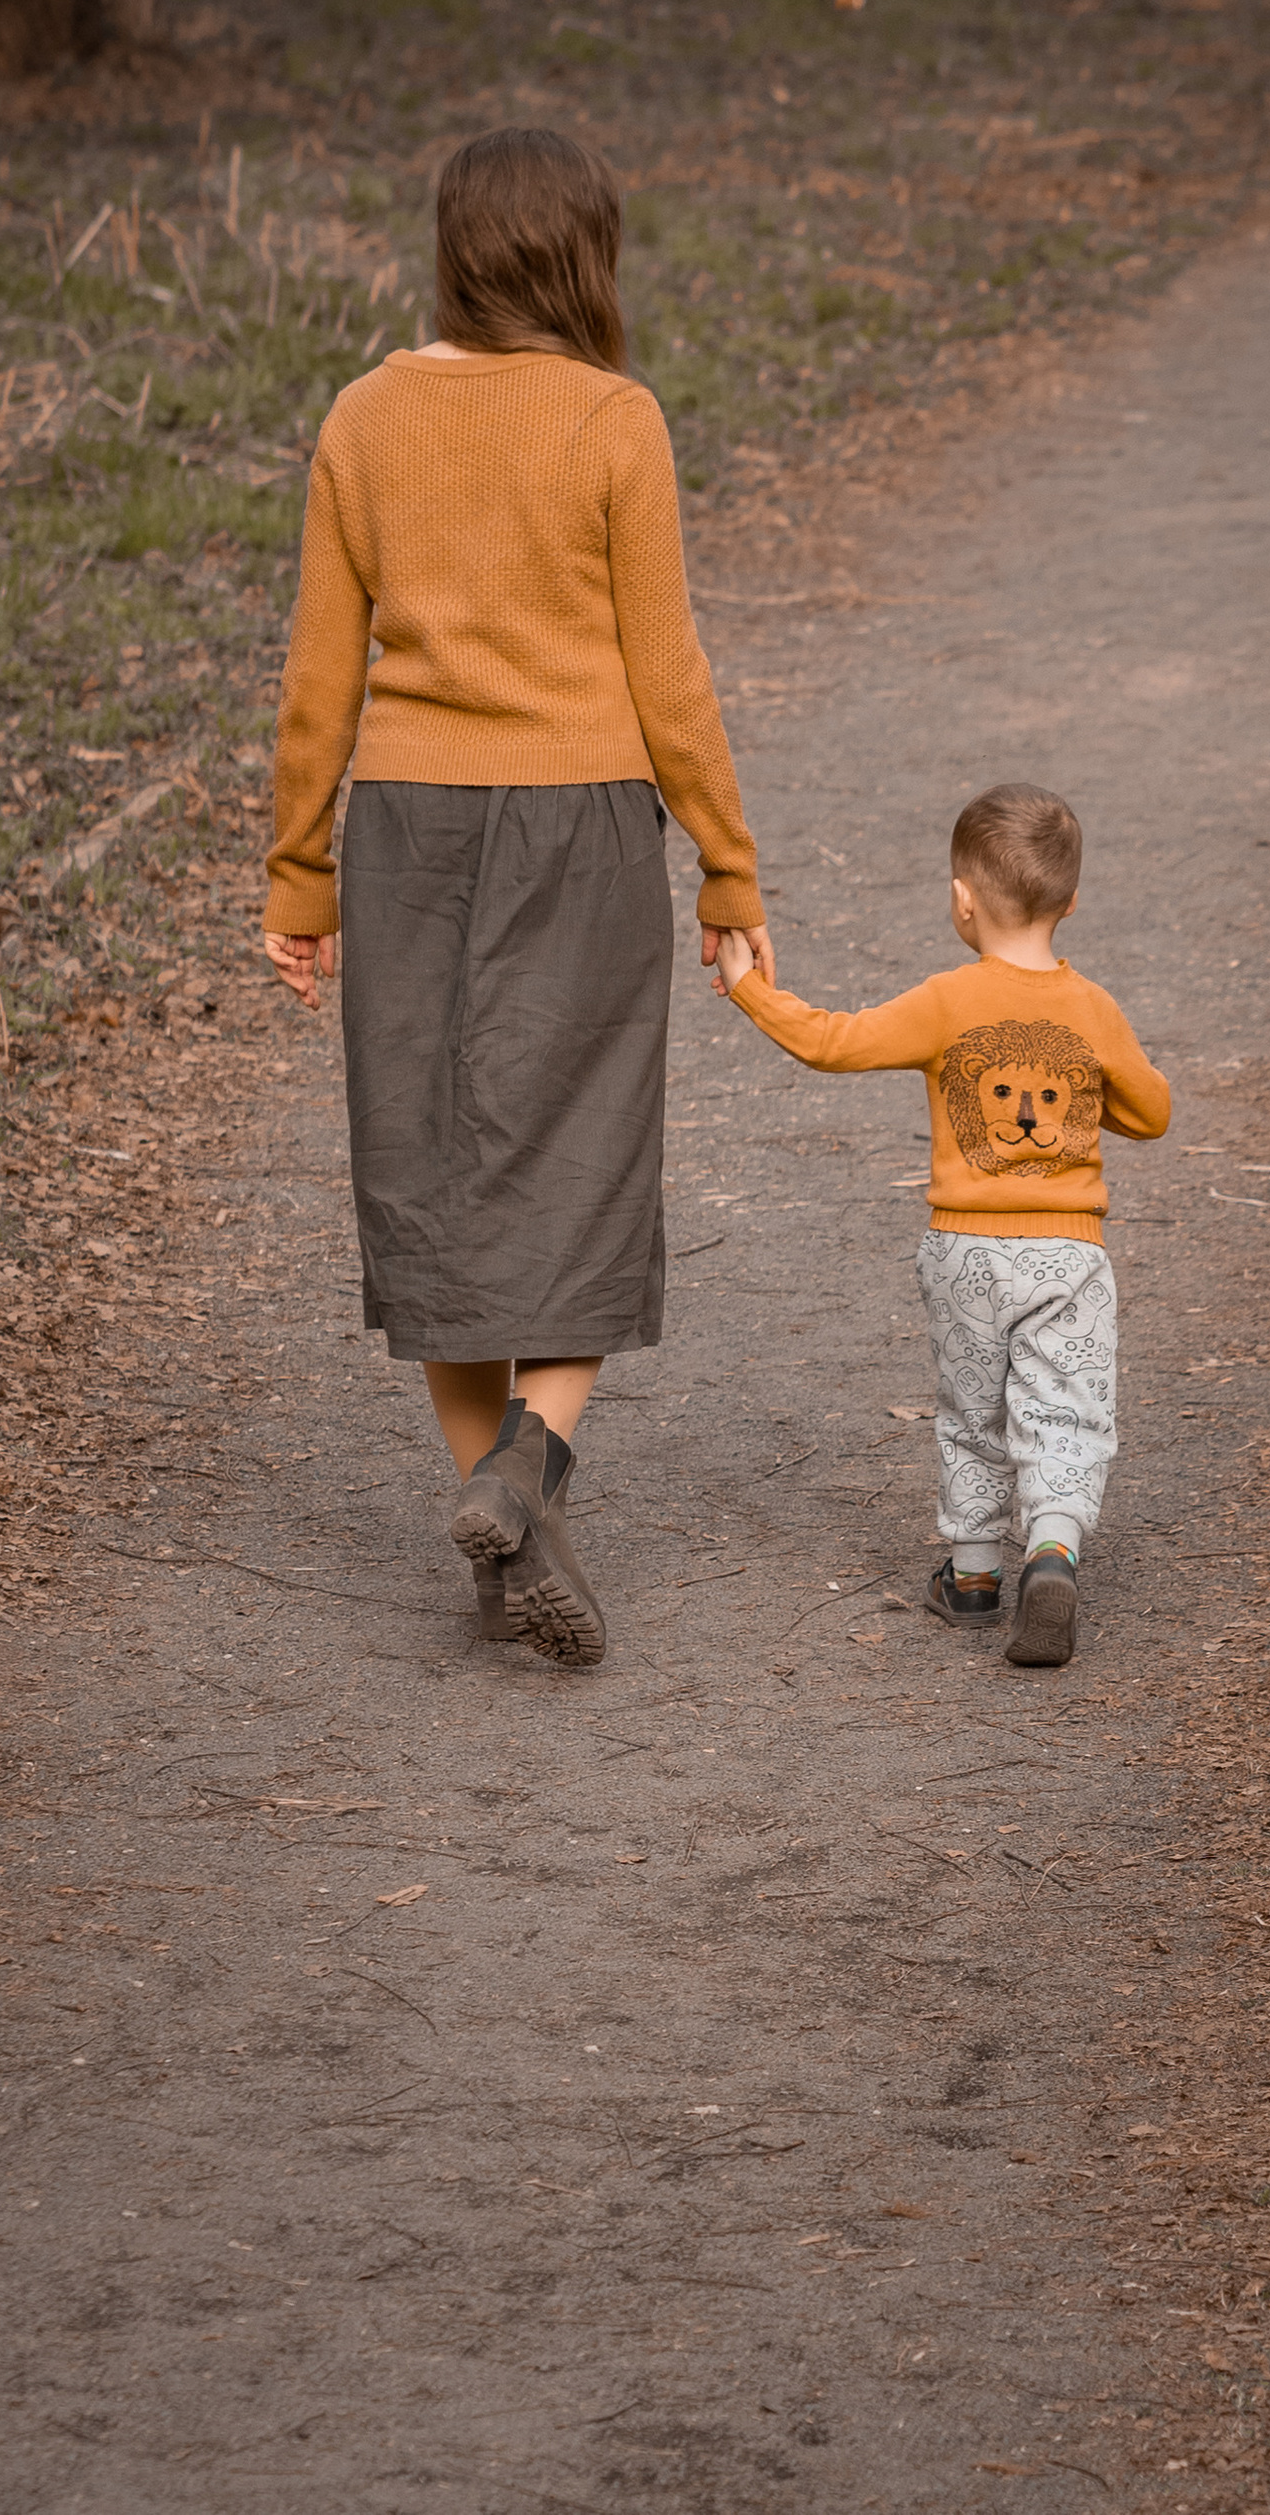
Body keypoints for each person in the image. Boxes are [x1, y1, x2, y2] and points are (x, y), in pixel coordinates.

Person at [260, 124, 770, 1666]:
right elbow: (666, 670)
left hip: (408, 828)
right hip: (586, 822)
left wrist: (299, 867)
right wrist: (728, 860)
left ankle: (500, 1516)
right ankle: (529, 1472)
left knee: (436, 1162)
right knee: (584, 1147)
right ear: (583, 256)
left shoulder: (363, 417)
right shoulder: (617, 419)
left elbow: (314, 674)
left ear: (452, 249)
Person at [719, 783, 1167, 1668]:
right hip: (1068, 1251)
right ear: (1071, 902)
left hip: (962, 1249)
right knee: (1066, 1407)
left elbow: (833, 1041)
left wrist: (747, 989)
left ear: (962, 899)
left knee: (973, 1409)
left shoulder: (945, 1000)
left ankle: (971, 1577)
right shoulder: (1095, 1009)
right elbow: (1151, 1112)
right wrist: (1082, 1093)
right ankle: (1053, 1552)